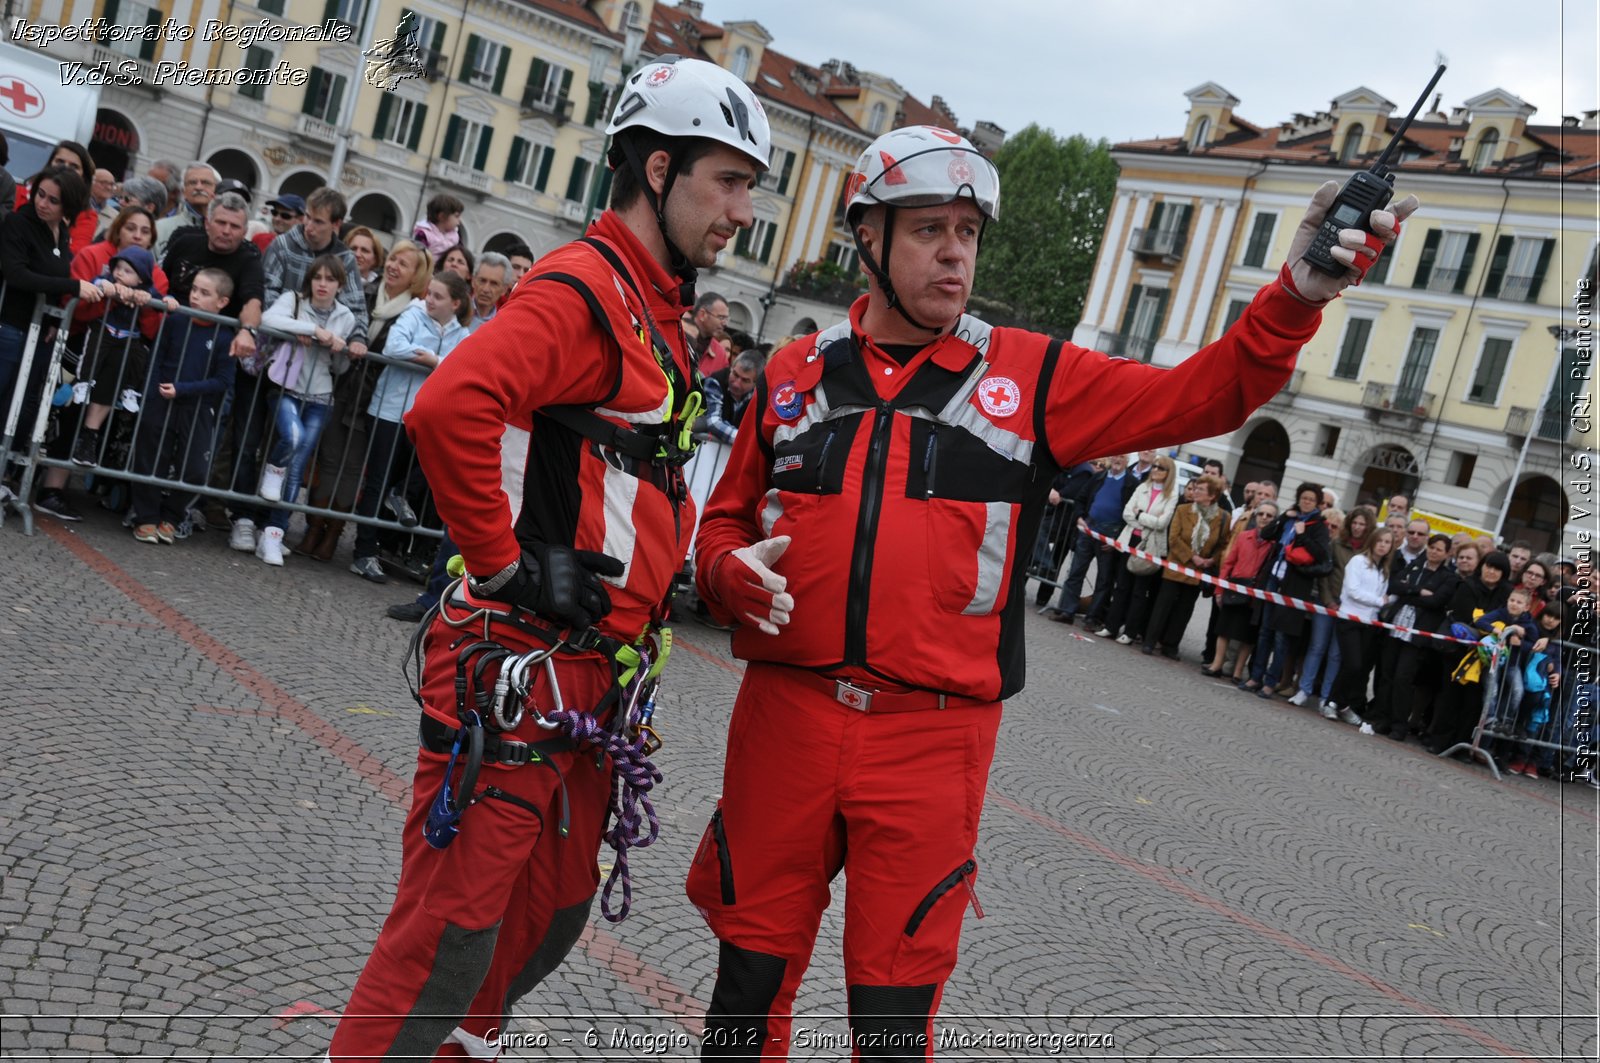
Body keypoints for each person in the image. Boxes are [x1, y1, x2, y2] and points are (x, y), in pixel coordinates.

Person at [687, 122, 1410, 1058]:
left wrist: (1298, 294)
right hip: (784, 718)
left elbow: (1206, 394)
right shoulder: (793, 373)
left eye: (969, 231)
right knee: (743, 992)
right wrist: (721, 571)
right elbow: (725, 518)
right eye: (927, 230)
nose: (955, 252)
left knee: (893, 1015)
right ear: (866, 237)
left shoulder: (1032, 376)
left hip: (931, 736)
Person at [325, 56, 773, 1059]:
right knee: (449, 932)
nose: (744, 209)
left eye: (749, 186)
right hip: (518, 664)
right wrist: (503, 563)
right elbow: (449, 406)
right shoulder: (585, 287)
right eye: (729, 181)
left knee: (550, 911)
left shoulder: (654, 305)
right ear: (658, 170)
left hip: (594, 679)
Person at [301, 239, 433, 562]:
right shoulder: (365, 293)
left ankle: (333, 533)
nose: (393, 266)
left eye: (404, 263)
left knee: (352, 468)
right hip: (343, 388)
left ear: (416, 275)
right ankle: (313, 527)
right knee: (329, 460)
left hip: (375, 397)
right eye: (393, 259)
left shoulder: (415, 311)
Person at [347, 269, 472, 583]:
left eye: (438, 296)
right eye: (429, 293)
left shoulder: (463, 335)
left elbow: (465, 366)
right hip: (389, 411)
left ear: (455, 303)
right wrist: (435, 361)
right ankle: (363, 553)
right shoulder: (413, 315)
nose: (429, 299)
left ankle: (390, 519)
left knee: (421, 473)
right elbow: (394, 348)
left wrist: (433, 360)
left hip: (427, 417)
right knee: (377, 483)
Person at [1, 167, 103, 521]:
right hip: (10, 326)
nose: (43, 203)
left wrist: (49, 318)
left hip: (36, 331)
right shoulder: (19, 223)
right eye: (40, 194)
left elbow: (50, 278)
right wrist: (73, 288)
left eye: (53, 200)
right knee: (3, 402)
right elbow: (16, 274)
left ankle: (5, 477)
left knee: (24, 407)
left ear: (68, 206)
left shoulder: (61, 233)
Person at [254, 253, 358, 565]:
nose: (322, 284)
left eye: (330, 279)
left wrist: (343, 351)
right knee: (293, 439)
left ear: (340, 285)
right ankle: (272, 472)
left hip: (320, 395)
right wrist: (313, 329)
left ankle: (274, 535)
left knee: (298, 467)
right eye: (318, 278)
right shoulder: (293, 300)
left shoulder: (346, 317)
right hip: (286, 385)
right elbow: (268, 319)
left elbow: (339, 368)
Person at [127, 268, 236, 543]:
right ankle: (146, 517)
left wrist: (184, 390)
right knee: (151, 457)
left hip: (197, 406)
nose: (195, 296)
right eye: (194, 290)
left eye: (205, 293)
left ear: (222, 302)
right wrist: (152, 394)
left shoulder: (225, 335)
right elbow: (157, 357)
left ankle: (173, 516)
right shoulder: (176, 320)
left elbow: (223, 380)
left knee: (196, 468)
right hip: (162, 399)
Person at [63, 245, 162, 468]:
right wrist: (108, 287)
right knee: (93, 351)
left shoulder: (146, 288)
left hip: (128, 338)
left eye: (127, 271)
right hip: (104, 329)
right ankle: (83, 382)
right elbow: (97, 283)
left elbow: (161, 302)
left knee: (138, 357)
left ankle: (129, 389)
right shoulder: (108, 278)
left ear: (141, 278)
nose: (119, 273)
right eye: (118, 268)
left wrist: (150, 300)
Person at [1243, 483, 1331, 699]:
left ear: (1316, 502)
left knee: (1281, 636)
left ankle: (1270, 683)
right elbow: (1268, 534)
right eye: (1304, 498)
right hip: (1274, 578)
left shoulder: (1319, 525)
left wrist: (1302, 536)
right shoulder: (1290, 517)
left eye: (1311, 499)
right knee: (1265, 631)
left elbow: (1320, 554)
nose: (1306, 502)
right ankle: (1256, 677)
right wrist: (1283, 517)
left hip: (1294, 585)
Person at [1368, 532, 1459, 741]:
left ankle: (1400, 724)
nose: (1433, 552)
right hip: (1396, 626)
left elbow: (1437, 601)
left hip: (1417, 634)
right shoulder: (1415, 566)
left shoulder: (1448, 577)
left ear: (1446, 554)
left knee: (1403, 677)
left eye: (1438, 549)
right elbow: (1394, 585)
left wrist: (1409, 592)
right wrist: (1418, 591)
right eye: (1432, 547)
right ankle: (1383, 718)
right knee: (1387, 674)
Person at [1425, 550, 1512, 754]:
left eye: (1497, 569)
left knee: (1473, 702)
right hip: (1460, 650)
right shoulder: (1467, 586)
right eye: (1489, 566)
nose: (1491, 571)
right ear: (1481, 566)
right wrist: (1492, 626)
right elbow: (1467, 618)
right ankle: (1439, 741)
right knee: (1450, 696)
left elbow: (1507, 620)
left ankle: (1463, 747)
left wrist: (1490, 625)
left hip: (1484, 657)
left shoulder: (1506, 593)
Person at [1293, 504, 1373, 712]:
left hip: (1350, 608)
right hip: (1328, 601)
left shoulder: (1368, 551)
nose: (1357, 527)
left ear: (1368, 527)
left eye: (1362, 524)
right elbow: (1325, 574)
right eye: (1354, 523)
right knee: (1317, 647)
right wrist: (1328, 600)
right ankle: (1304, 689)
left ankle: (1327, 695)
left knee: (1336, 654)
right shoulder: (1336, 544)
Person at [1042, 452, 1137, 625]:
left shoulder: (1131, 483)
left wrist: (1117, 539)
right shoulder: (1098, 477)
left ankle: (1093, 616)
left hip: (1110, 533)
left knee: (1103, 578)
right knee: (1076, 571)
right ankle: (1067, 610)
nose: (1117, 460)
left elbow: (1130, 515)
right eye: (1116, 457)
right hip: (1089, 528)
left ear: (1127, 461)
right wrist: (1079, 517)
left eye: (1122, 458)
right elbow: (1080, 499)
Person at [1142, 472, 1229, 659]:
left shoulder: (1223, 518)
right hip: (1177, 566)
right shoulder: (1183, 510)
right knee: (1163, 606)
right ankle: (1150, 641)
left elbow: (1223, 543)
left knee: (1184, 609)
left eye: (1201, 489)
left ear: (1212, 495)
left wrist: (1212, 560)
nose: (1195, 492)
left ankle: (1171, 645)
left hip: (1199, 572)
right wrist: (1192, 557)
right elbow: (1174, 538)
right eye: (1195, 488)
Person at [1100, 452, 1179, 643]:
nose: (1155, 470)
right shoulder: (1143, 487)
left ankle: (1130, 631)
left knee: (1139, 591)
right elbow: (1128, 512)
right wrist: (1143, 522)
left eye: (1160, 467)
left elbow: (1162, 523)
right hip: (1131, 540)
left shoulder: (1172, 495)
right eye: (1155, 466)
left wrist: (1141, 516)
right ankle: (1110, 626)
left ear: (1168, 472)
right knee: (1121, 587)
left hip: (1150, 546)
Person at [1330, 525, 1396, 727]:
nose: (1383, 546)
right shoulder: (1358, 561)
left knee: (1357, 668)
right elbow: (1353, 591)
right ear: (1373, 541)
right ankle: (1335, 703)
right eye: (1380, 541)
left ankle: (1338, 703)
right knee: (1353, 663)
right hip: (1350, 618)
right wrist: (1379, 601)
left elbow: (1386, 597)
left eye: (1388, 542)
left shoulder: (1383, 570)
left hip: (1369, 623)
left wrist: (1385, 600)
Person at [1205, 498, 1278, 680]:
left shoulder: (1275, 544)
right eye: (1261, 514)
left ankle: (1238, 671)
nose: (1264, 518)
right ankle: (1217, 664)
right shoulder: (1244, 536)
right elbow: (1228, 563)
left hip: (1255, 592)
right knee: (1224, 629)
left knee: (1247, 635)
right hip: (1235, 587)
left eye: (1269, 515)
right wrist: (1219, 590)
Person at [696, 348, 763, 444]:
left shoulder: (759, 396)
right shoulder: (715, 381)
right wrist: (744, 441)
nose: (736, 383)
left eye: (745, 380)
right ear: (731, 367)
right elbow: (713, 422)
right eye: (735, 374)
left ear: (755, 384)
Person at [153, 161, 217, 260]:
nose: (198, 187)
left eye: (205, 183)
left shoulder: (223, 231)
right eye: (192, 182)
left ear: (215, 190)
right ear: (184, 192)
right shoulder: (159, 228)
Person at [683, 290, 731, 376]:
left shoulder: (720, 355)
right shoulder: (678, 336)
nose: (725, 324)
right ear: (702, 314)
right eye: (721, 317)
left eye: (726, 319)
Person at [411, 192, 464, 259]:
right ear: (442, 216)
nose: (459, 220)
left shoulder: (456, 236)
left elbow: (462, 254)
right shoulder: (424, 234)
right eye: (456, 216)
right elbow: (419, 256)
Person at [467, 252, 510, 331]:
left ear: (504, 289)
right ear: (473, 281)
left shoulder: (506, 324)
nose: (486, 289)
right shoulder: (455, 312)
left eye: (494, 284)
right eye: (482, 281)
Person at [345, 225, 386, 293]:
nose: (357, 254)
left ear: (375, 259)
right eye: (353, 249)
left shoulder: (380, 291)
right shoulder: (331, 280)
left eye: (364, 250)